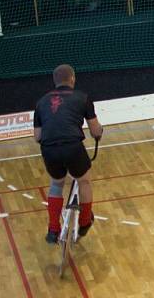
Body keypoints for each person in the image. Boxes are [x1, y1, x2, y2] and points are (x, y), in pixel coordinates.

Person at [34, 64, 103, 244]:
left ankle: (53, 230)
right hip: (72, 146)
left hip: (49, 149)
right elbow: (95, 129)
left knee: (56, 184)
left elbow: (37, 137)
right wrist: (98, 134)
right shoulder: (83, 98)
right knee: (84, 181)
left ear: (55, 81)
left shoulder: (41, 102)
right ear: (72, 79)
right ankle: (85, 221)